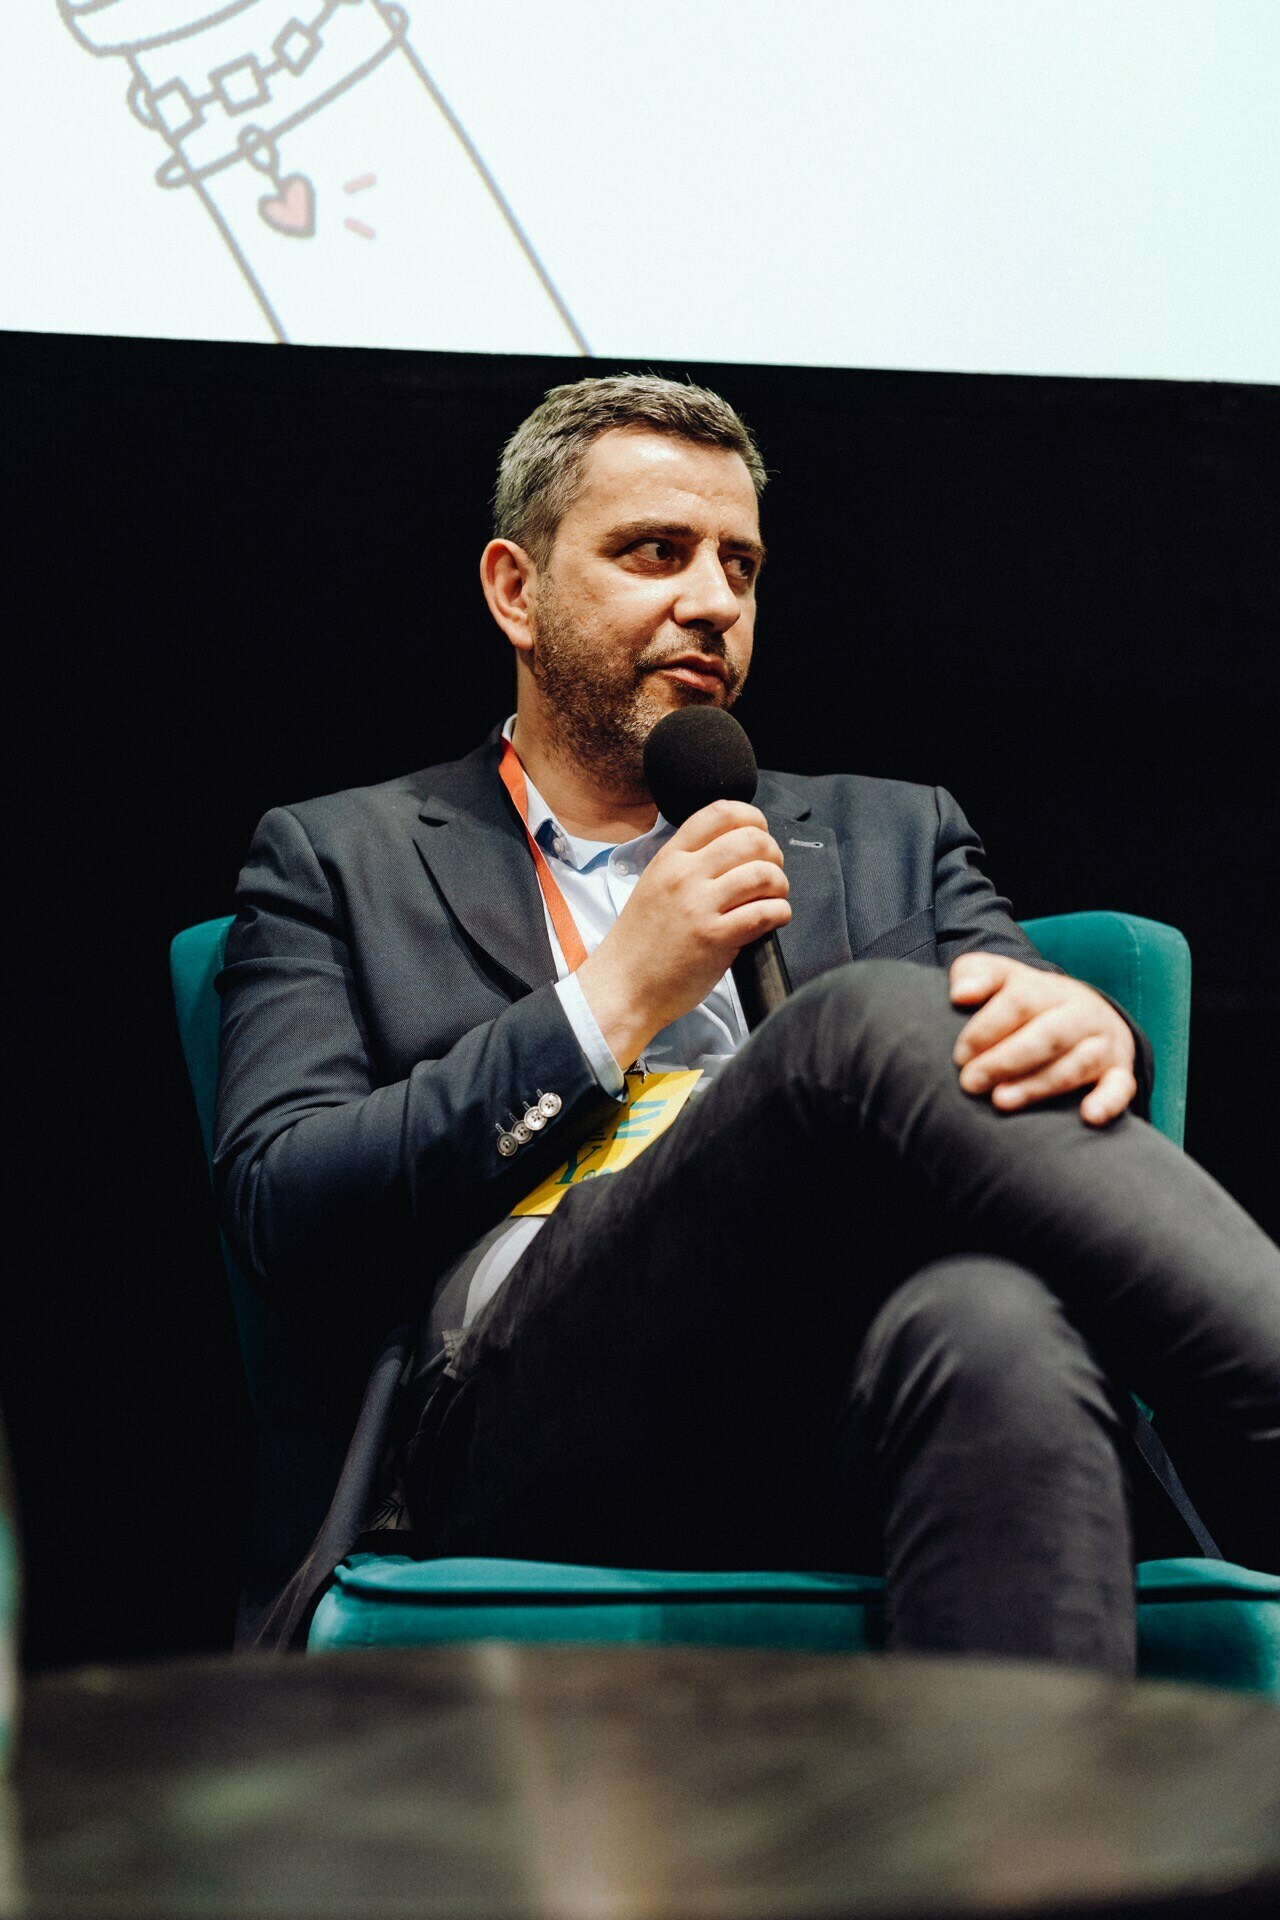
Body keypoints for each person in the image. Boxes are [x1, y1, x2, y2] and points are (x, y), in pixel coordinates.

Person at [215, 374, 1280, 1661]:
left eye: (740, 564)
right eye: (654, 552)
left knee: (993, 1329)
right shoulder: (339, 857)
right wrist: (610, 1004)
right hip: (521, 1417)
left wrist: (1092, 1038)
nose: (712, 600)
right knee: (847, 1034)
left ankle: (1032, 1859)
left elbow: (1017, 1039)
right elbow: (287, 1207)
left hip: (855, 1372)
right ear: (515, 590)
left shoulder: (899, 832)